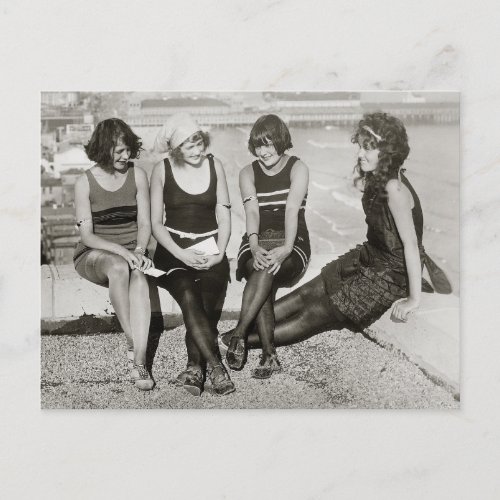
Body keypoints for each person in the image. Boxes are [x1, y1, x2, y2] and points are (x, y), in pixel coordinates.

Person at [221, 112, 440, 355]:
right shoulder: (377, 178)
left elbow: (411, 245)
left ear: (388, 150)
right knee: (307, 292)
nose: (359, 154)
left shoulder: (394, 188)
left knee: (313, 314)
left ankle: (239, 340)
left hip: (388, 277)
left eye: (368, 148)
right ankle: (237, 333)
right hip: (369, 258)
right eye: (360, 147)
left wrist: (413, 299)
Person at [150, 113, 235, 396]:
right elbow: (155, 224)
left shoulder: (215, 165)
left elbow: (223, 212)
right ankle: (216, 366)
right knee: (188, 293)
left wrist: (220, 253)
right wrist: (182, 256)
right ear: (175, 150)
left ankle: (193, 367)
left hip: (209, 249)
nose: (198, 151)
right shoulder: (162, 169)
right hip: (172, 252)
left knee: (208, 302)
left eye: (199, 143)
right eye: (189, 147)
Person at [226, 114, 310, 378]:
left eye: (269, 143)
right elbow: (252, 213)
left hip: (292, 238)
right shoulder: (247, 173)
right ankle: (268, 355)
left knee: (265, 272)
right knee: (261, 270)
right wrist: (253, 245)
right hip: (257, 238)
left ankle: (239, 334)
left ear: (281, 140)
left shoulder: (298, 168)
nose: (263, 152)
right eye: (258, 145)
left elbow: (292, 210)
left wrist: (285, 247)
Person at [73, 118, 154, 391]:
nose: (126, 155)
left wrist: (140, 250)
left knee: (140, 277)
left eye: (128, 149)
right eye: (119, 150)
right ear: (103, 148)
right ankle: (133, 340)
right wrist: (122, 250)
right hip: (96, 253)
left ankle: (139, 361)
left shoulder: (137, 175)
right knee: (119, 267)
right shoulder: (84, 183)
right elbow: (87, 236)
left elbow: (145, 224)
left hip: (134, 248)